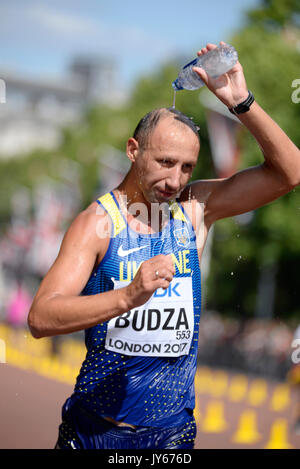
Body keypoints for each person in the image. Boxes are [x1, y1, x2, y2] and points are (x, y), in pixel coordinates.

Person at [28, 42, 300, 449]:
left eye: (187, 167)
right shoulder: (97, 225)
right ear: (133, 151)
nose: (175, 181)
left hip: (170, 437)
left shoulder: (193, 210)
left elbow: (289, 173)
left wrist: (241, 102)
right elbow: (41, 317)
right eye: (165, 163)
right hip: (95, 433)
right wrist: (128, 296)